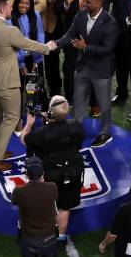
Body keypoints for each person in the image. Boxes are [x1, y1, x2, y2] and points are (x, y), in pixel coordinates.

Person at [0, 0, 52, 171]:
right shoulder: (10, 31)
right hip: (7, 82)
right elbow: (28, 44)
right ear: (2, 9)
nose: (11, 10)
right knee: (12, 117)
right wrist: (48, 48)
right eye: (8, 7)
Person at [53, 0, 118, 148]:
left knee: (103, 104)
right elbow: (70, 34)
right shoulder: (81, 15)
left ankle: (105, 132)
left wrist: (85, 47)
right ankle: (75, 130)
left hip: (101, 70)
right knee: (78, 100)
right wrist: (56, 43)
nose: (84, 4)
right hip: (82, 67)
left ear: (98, 4)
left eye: (88, 2)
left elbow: (108, 49)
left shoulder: (110, 22)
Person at [21, 95, 84, 248]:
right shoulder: (76, 125)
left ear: (50, 112)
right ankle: (61, 238)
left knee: (46, 205)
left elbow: (24, 140)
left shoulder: (42, 133)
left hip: (50, 175)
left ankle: (42, 235)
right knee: (64, 206)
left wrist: (29, 124)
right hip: (73, 171)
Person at [55, 0, 110, 105]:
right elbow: (57, 8)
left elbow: (105, 14)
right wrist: (67, 4)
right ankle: (71, 99)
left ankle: (93, 102)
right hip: (72, 36)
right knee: (69, 68)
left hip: (93, 38)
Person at [10, 156, 59, 257]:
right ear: (43, 173)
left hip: (28, 239)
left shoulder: (19, 192)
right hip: (49, 239)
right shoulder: (52, 187)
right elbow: (55, 199)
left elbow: (14, 201)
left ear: (26, 174)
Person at [34, 0, 79, 96]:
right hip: (49, 22)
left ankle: (70, 90)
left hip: (69, 24)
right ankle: (54, 89)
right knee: (50, 58)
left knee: (70, 59)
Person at [7, 0, 45, 79]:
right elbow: (12, 45)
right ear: (16, 2)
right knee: (19, 89)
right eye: (21, 3)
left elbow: (40, 38)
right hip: (16, 60)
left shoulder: (36, 15)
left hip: (34, 57)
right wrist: (21, 65)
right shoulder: (9, 19)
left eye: (27, 4)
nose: (24, 6)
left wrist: (37, 60)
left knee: (36, 89)